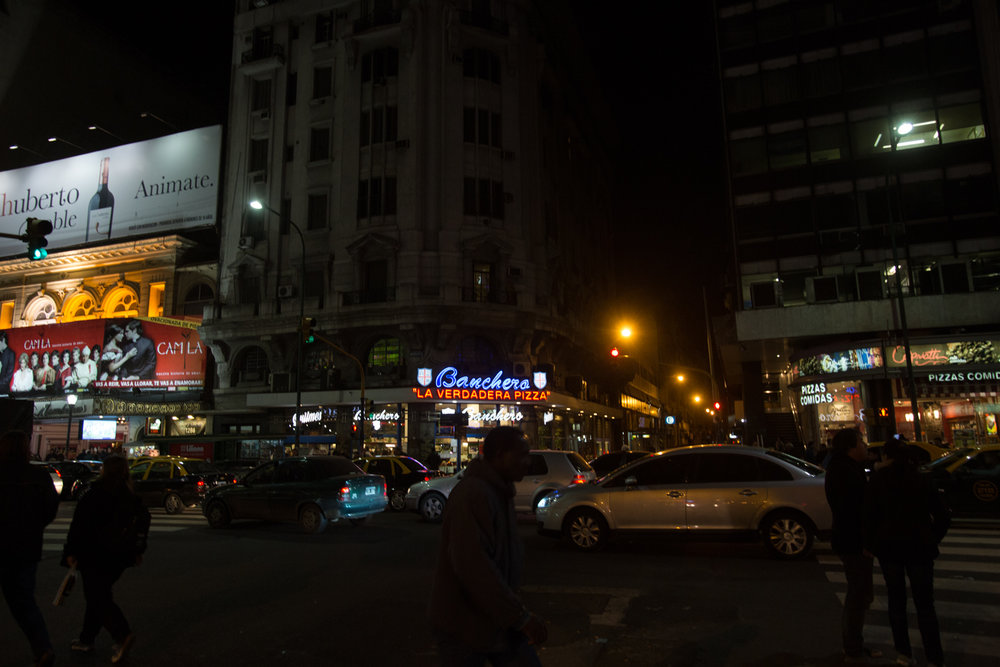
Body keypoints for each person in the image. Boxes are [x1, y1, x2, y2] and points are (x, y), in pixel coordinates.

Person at [429, 426, 547, 666]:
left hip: (495, 620)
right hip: (464, 624)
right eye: (521, 454)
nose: (528, 462)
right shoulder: (475, 494)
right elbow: (474, 566)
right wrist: (520, 617)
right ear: (500, 455)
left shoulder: (499, 491)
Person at [864, 437, 950, 667]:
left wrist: (872, 543)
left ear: (886, 457)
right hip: (920, 546)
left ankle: (904, 652)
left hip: (890, 548)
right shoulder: (921, 479)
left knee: (896, 601)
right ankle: (934, 656)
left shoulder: (879, 480)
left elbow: (870, 516)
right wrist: (932, 537)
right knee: (925, 605)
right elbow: (942, 516)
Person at [63, 455, 150, 664]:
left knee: (98, 597)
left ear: (104, 470)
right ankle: (87, 638)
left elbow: (79, 526)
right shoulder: (129, 495)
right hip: (120, 555)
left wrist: (71, 551)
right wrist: (138, 549)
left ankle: (122, 634)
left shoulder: (95, 494)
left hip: (95, 554)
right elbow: (143, 522)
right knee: (99, 594)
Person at [0, 430, 59, 667]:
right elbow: (50, 509)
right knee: (24, 602)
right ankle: (42, 647)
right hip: (26, 547)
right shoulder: (38, 475)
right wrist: (34, 526)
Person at [824, 428, 880, 663]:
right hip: (853, 541)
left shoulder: (845, 467)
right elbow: (854, 512)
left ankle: (854, 644)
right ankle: (853, 647)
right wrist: (864, 542)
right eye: (861, 442)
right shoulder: (844, 471)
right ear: (850, 446)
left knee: (861, 593)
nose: (865, 445)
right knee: (858, 594)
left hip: (851, 539)